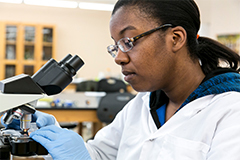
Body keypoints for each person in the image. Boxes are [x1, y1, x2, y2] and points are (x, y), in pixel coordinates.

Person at [2, 0, 240, 159]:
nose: (119, 58)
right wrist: (54, 136)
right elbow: (100, 154)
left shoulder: (231, 112)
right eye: (115, 46)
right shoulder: (143, 103)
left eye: (128, 42)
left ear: (176, 38)